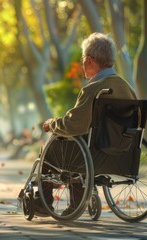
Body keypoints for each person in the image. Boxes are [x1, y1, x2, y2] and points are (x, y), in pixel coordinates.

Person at [38, 32, 137, 216]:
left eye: (83, 58)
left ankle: (46, 203)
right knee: (78, 146)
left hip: (91, 155)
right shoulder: (128, 89)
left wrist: (52, 124)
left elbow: (74, 125)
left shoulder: (93, 89)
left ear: (90, 60)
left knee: (50, 150)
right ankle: (76, 200)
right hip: (122, 153)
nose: (82, 62)